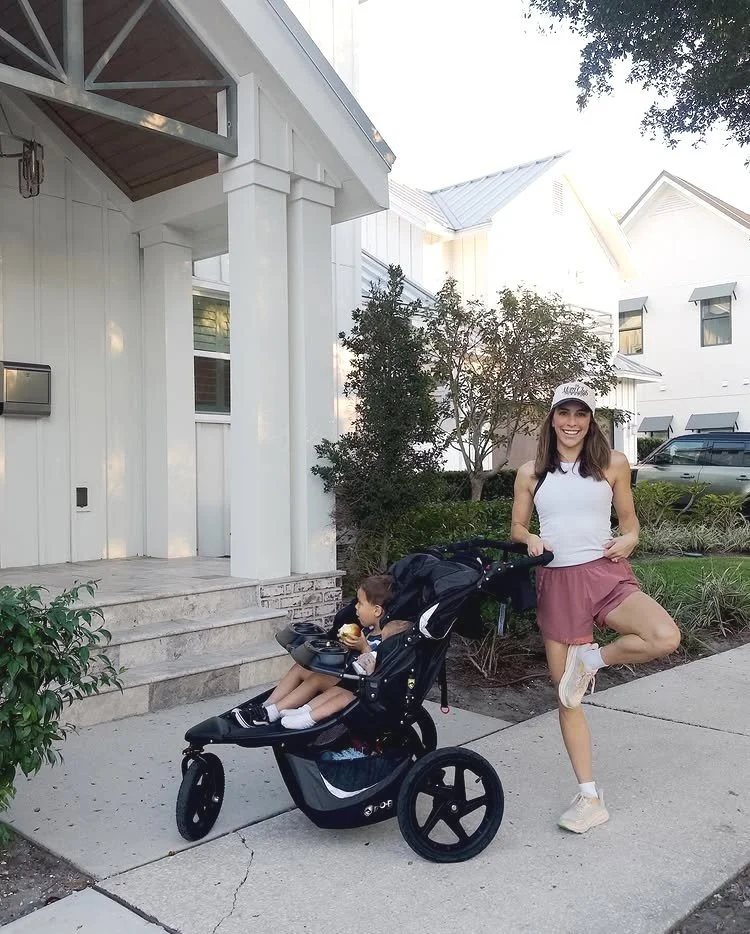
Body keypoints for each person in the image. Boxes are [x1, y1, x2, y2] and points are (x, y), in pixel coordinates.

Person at [511, 381, 681, 834]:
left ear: (591, 420)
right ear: (552, 419)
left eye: (580, 414)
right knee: (568, 697)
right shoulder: (530, 471)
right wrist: (528, 538)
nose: (571, 422)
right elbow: (517, 525)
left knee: (665, 636)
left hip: (605, 573)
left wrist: (630, 538)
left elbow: (630, 524)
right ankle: (589, 798)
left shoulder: (613, 464)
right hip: (558, 581)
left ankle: (593, 659)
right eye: (563, 413)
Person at [231, 574, 393, 728]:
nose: (355, 607)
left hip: (358, 688)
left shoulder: (385, 641)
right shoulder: (366, 631)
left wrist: (363, 647)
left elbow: (375, 671)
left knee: (318, 678)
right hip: (347, 679)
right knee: (302, 667)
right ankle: (266, 706)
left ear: (377, 611)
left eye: (360, 603)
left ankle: (272, 713)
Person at [280, 618, 414, 729]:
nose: (382, 645)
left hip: (376, 703)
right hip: (364, 693)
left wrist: (370, 671)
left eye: (385, 642)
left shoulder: (397, 661)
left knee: (343, 698)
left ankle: (309, 719)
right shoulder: (388, 655)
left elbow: (384, 683)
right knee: (337, 691)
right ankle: (303, 711)